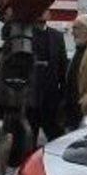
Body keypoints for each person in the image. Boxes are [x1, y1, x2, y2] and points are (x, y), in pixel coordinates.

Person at [28, 10, 68, 144]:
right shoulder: (26, 36)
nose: (41, 13)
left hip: (50, 97)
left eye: (45, 10)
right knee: (29, 138)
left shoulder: (57, 36)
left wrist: (62, 95)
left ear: (49, 15)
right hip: (31, 97)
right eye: (39, 9)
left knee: (55, 137)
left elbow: (62, 67)